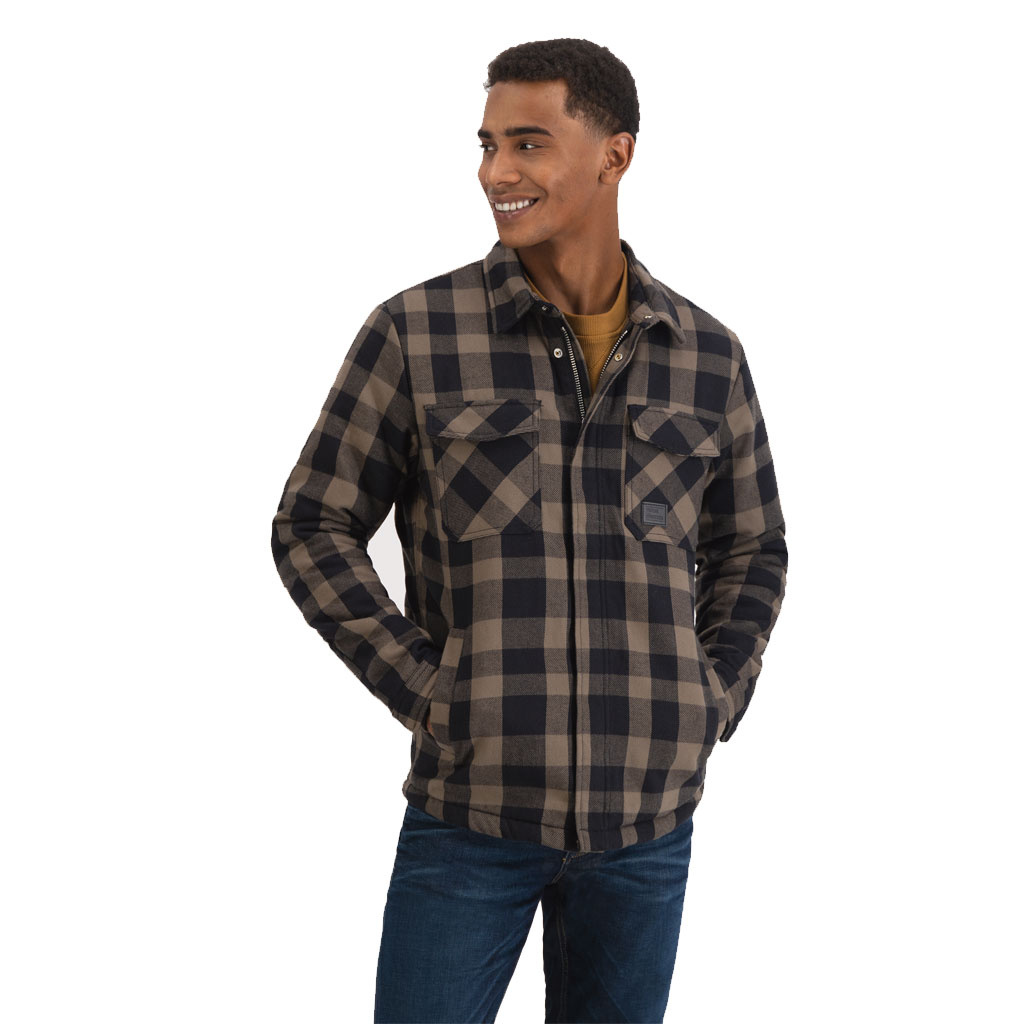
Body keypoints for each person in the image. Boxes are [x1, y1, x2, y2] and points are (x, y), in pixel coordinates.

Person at [270, 36, 788, 1024]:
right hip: (471, 818)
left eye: (528, 143)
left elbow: (752, 547)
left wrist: (709, 697)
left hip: (646, 827)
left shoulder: (707, 356)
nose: (495, 172)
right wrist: (428, 691)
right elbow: (313, 524)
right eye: (487, 144)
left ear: (614, 155)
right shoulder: (417, 332)